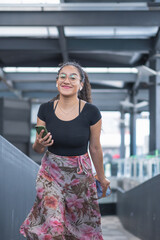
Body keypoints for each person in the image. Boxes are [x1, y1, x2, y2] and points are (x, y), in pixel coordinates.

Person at [19, 61, 110, 240]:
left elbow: (95, 147)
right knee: (54, 227)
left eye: (72, 77)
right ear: (56, 82)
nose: (66, 80)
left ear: (81, 84)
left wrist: (101, 176)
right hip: (50, 175)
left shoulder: (92, 112)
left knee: (80, 231)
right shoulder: (45, 110)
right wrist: (40, 142)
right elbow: (37, 148)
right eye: (62, 77)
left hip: (80, 177)